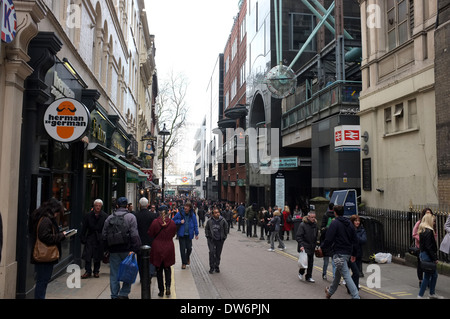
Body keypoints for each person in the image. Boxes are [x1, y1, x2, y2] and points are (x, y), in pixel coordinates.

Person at [102, 197, 141, 299]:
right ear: (127, 206)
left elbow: (104, 235)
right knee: (128, 271)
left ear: (117, 206)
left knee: (114, 274)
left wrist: (106, 249)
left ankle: (114, 295)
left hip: (113, 250)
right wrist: (135, 248)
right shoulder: (131, 217)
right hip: (127, 250)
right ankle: (123, 293)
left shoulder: (109, 218)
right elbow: (134, 235)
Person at [30, 198, 67, 299]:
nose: (57, 215)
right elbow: (45, 236)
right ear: (53, 210)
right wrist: (61, 236)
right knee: (42, 281)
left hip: (44, 257)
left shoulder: (45, 218)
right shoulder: (46, 220)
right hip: (44, 256)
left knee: (42, 281)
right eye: (57, 212)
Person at [322, 205, 360, 299]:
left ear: (335, 212)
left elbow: (329, 238)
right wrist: (354, 253)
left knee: (346, 275)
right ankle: (329, 292)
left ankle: (356, 296)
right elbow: (355, 240)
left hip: (338, 253)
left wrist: (322, 248)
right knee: (338, 275)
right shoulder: (349, 224)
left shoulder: (335, 223)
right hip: (347, 253)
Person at [148, 206, 177, 297]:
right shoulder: (172, 223)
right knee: (167, 268)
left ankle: (161, 290)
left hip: (157, 247)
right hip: (168, 246)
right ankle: (168, 286)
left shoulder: (155, 222)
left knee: (159, 270)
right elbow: (173, 234)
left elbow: (150, 233)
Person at [80, 199, 108, 279]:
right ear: (94, 206)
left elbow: (106, 228)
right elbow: (84, 227)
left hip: (99, 238)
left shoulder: (105, 216)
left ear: (101, 207)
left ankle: (96, 271)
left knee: (98, 255)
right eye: (96, 205)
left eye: (99, 206)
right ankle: (88, 271)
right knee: (88, 255)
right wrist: (83, 238)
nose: (98, 207)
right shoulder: (88, 215)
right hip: (90, 237)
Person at [417, 213, 443, 299]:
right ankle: (422, 295)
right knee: (429, 275)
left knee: (432, 275)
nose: (434, 222)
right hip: (428, 255)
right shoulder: (429, 231)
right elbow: (429, 247)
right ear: (429, 220)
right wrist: (434, 258)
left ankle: (431, 293)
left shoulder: (423, 230)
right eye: (433, 220)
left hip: (423, 254)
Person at [134, 197, 158, 280]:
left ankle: (142, 277)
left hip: (139, 241)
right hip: (150, 241)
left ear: (139, 205)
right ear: (148, 205)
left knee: (140, 261)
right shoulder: (153, 215)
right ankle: (149, 275)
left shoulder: (135, 215)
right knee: (150, 260)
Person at [412, 208, 435, 287]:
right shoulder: (419, 223)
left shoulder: (432, 223)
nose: (428, 214)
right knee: (421, 265)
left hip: (429, 247)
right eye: (426, 213)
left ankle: (427, 280)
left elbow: (434, 234)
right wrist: (422, 239)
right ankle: (421, 280)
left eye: (429, 213)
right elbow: (414, 233)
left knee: (428, 265)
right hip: (420, 247)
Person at [173, 201, 199, 269]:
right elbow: (173, 220)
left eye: (187, 206)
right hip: (182, 234)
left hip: (189, 234)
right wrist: (179, 221)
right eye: (185, 206)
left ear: (190, 208)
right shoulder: (180, 213)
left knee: (189, 248)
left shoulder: (192, 215)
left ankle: (187, 257)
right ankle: (184, 263)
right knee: (182, 249)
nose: (185, 207)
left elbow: (195, 224)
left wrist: (196, 233)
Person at [296, 211, 318, 282]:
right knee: (305, 261)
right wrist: (301, 245)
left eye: (314, 217)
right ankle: (301, 272)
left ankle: (309, 276)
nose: (313, 219)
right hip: (305, 246)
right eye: (312, 217)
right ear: (308, 217)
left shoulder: (315, 225)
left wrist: (316, 244)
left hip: (312, 246)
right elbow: (299, 236)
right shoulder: (303, 225)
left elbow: (316, 236)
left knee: (311, 262)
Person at [205, 208, 229, 273]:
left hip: (220, 240)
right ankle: (211, 267)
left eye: (218, 212)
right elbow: (206, 228)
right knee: (212, 252)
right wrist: (207, 236)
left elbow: (226, 229)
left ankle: (217, 266)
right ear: (213, 214)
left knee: (218, 253)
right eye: (215, 212)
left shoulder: (223, 221)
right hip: (211, 239)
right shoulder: (209, 221)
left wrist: (224, 237)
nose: (217, 213)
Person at [320, 203, 336, 280]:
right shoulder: (336, 217)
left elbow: (322, 229)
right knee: (334, 262)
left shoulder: (325, 215)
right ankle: (334, 277)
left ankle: (324, 274)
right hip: (334, 242)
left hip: (326, 242)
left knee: (326, 261)